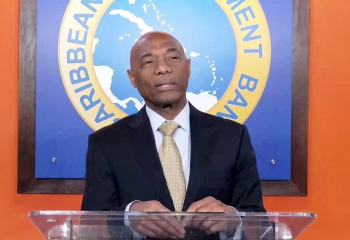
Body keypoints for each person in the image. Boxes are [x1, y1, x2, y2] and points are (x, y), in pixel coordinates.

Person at [81, 31, 265, 239]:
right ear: (132, 78)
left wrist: (234, 219)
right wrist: (127, 217)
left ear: (188, 67)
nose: (163, 68)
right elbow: (90, 227)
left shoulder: (232, 137)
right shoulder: (106, 144)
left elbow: (259, 223)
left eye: (173, 58)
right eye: (149, 61)